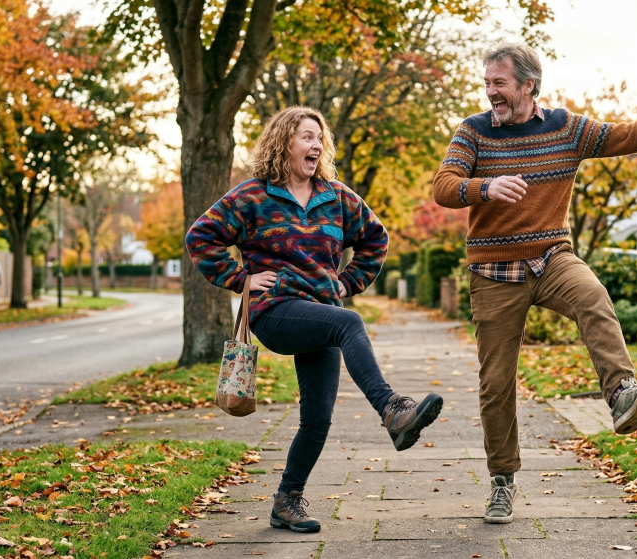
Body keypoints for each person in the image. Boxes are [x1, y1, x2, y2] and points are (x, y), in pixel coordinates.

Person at [432, 43, 637, 524]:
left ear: (527, 85)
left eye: (499, 83)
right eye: (487, 83)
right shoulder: (472, 132)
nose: (490, 91)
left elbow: (628, 136)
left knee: (592, 295)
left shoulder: (565, 128)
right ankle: (502, 481)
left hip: (551, 257)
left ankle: (622, 393)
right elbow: (442, 185)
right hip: (495, 271)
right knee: (496, 383)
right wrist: (484, 187)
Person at [185, 106, 444, 534]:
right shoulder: (253, 196)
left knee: (318, 418)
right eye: (307, 137)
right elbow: (201, 237)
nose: (317, 145)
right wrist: (241, 279)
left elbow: (376, 239)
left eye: (320, 138)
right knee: (351, 324)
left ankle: (286, 501)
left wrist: (347, 283)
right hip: (275, 312)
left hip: (322, 313)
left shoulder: (335, 196)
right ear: (284, 141)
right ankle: (393, 410)